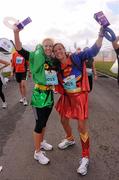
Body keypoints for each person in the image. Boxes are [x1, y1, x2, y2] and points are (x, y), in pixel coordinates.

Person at [53, 28, 104, 175]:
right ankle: (69, 138)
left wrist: (100, 36)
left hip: (80, 97)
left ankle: (85, 157)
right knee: (63, 120)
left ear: (64, 49)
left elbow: (93, 51)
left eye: (60, 48)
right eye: (56, 50)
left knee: (82, 128)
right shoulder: (57, 67)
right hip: (67, 97)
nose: (58, 51)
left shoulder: (76, 57)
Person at [13, 25, 58, 165]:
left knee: (44, 122)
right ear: (42, 46)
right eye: (46, 45)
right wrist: (16, 33)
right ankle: (37, 152)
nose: (48, 48)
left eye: (51, 46)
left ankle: (42, 142)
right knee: (39, 123)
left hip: (50, 93)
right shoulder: (35, 56)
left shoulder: (53, 60)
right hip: (39, 95)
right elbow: (20, 49)